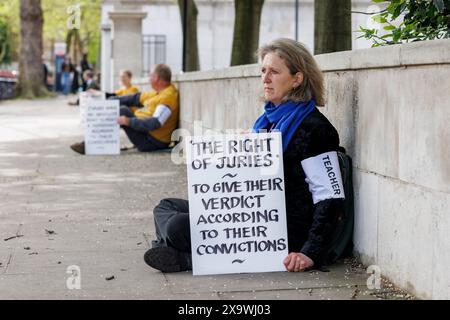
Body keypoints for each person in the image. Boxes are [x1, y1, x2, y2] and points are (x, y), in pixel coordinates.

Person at [143, 38, 346, 273]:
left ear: (296, 79)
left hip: (279, 227)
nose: (265, 78)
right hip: (248, 213)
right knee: (166, 206)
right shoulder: (270, 120)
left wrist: (310, 251)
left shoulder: (316, 129)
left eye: (274, 72)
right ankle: (178, 254)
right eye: (263, 71)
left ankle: (184, 258)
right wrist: (243, 146)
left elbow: (329, 197)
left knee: (177, 226)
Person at [70, 64, 179, 155]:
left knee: (122, 111)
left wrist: (128, 121)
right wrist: (103, 98)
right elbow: (133, 98)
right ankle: (94, 142)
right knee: (122, 107)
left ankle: (91, 144)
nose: (149, 79)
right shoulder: (158, 92)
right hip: (146, 133)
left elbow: (156, 122)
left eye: (150, 76)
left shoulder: (167, 97)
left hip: (152, 142)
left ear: (156, 78)